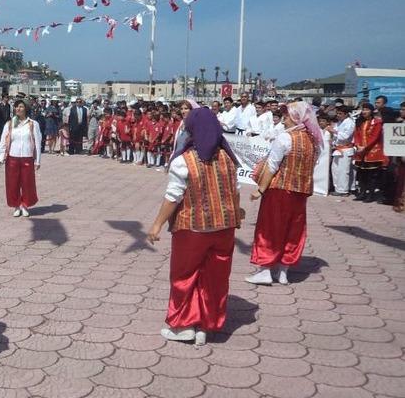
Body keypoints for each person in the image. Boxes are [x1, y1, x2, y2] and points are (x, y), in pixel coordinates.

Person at [147, 108, 243, 345]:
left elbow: (173, 197)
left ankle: (183, 326)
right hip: (224, 228)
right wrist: (237, 212)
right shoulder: (228, 158)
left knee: (184, 275)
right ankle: (205, 325)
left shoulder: (184, 160)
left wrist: (157, 224)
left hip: (193, 229)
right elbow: (235, 191)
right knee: (215, 278)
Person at [246, 101, 323, 286]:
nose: (284, 121)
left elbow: (272, 165)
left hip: (279, 191)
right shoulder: (314, 141)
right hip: (300, 192)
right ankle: (283, 271)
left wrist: (260, 189)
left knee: (270, 229)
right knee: (292, 230)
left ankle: (265, 270)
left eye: (287, 117)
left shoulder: (285, 138)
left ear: (296, 118)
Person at [0, 99, 42, 217]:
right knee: (13, 183)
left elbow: (37, 142)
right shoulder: (10, 124)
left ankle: (25, 205)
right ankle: (16, 205)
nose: (18, 109)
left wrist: (38, 160)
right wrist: (0, 156)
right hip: (13, 157)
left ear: (26, 108)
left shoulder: (33, 124)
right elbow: (3, 140)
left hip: (27, 157)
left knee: (27, 183)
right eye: (16, 107)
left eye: (21, 106)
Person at [352, 103, 387, 203]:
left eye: (367, 110)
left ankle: (370, 195)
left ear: (371, 111)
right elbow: (356, 135)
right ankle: (362, 193)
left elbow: (375, 137)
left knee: (372, 175)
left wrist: (365, 147)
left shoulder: (377, 122)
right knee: (362, 174)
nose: (364, 112)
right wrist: (358, 145)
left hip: (372, 152)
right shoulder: (359, 122)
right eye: (363, 110)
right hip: (361, 152)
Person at [329, 106, 355, 196]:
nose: (338, 115)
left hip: (345, 149)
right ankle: (338, 188)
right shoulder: (339, 123)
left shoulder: (350, 123)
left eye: (340, 113)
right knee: (335, 170)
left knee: (343, 171)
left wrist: (334, 132)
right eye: (337, 113)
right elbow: (335, 132)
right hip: (338, 149)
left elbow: (345, 136)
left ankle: (343, 190)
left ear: (346, 114)